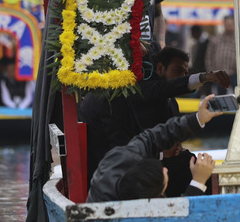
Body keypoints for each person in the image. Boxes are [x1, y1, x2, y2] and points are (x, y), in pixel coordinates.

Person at [79, 46, 230, 196]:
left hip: (141, 160)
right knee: (189, 168)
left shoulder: (115, 94)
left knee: (189, 161)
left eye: (186, 72)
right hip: (123, 174)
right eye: (178, 70)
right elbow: (127, 148)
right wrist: (163, 155)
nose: (183, 75)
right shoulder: (117, 98)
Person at [86, 95, 222, 202]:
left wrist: (198, 119)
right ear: (154, 200)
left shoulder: (120, 157)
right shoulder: (137, 217)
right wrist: (198, 181)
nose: (166, 169)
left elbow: (152, 137)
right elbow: (178, 220)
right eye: (163, 177)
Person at [204, 14, 237, 95]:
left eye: (230, 24)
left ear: (234, 25)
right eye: (227, 24)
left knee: (237, 96)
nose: (228, 26)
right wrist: (211, 71)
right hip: (219, 74)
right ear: (224, 24)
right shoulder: (216, 39)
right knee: (220, 97)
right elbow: (208, 56)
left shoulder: (238, 39)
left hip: (234, 73)